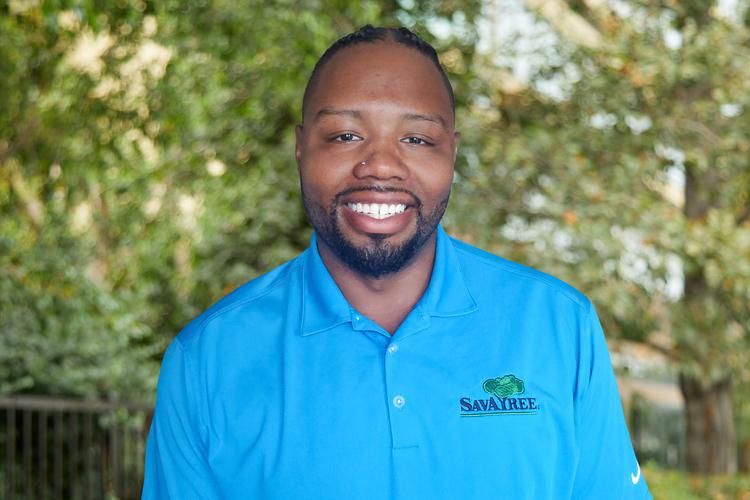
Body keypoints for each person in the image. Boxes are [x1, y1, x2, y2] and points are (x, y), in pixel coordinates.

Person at [142, 25, 652, 499]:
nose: (381, 165)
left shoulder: (559, 325)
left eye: (416, 139)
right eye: (345, 135)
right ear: (301, 149)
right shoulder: (206, 360)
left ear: (451, 155)